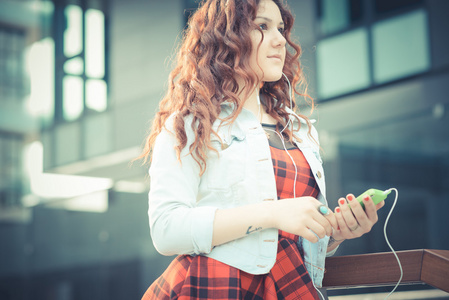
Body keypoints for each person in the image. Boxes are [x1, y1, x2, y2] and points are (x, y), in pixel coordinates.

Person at [139, 0, 385, 299]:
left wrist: (335, 232)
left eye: (281, 28)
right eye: (262, 27)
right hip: (214, 285)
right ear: (226, 38)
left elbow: (289, 237)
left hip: (288, 283)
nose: (280, 40)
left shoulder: (299, 129)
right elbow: (166, 230)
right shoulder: (190, 123)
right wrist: (273, 213)